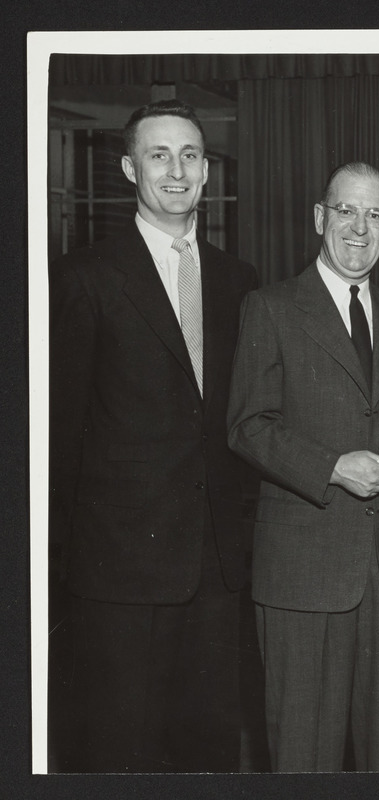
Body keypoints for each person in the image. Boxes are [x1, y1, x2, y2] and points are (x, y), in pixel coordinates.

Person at [48, 99, 259, 772]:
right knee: (118, 753)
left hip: (218, 572)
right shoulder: (83, 279)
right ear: (127, 169)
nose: (177, 170)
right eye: (159, 155)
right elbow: (59, 436)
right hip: (119, 574)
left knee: (209, 754)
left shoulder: (239, 281)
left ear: (206, 171)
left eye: (190, 155)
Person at [227, 162, 379, 772]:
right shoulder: (271, 308)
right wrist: (334, 467)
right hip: (304, 571)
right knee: (303, 754)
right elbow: (247, 426)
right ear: (321, 218)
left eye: (373, 215)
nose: (359, 228)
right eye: (346, 211)